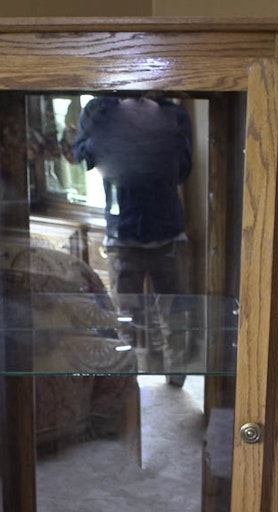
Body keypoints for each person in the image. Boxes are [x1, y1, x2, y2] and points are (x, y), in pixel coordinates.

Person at [73, 95, 193, 386]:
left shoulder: (172, 114)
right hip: (126, 233)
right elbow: (82, 159)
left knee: (171, 316)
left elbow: (182, 171)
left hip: (159, 232)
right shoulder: (100, 110)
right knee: (128, 319)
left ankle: (171, 379)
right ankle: (130, 383)